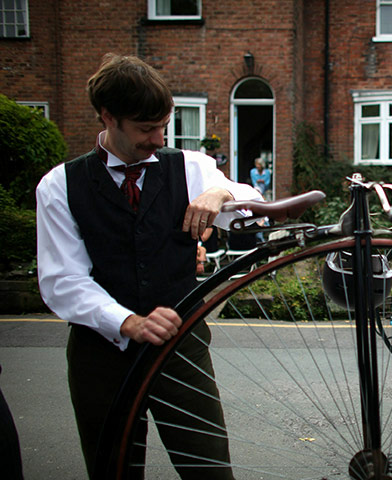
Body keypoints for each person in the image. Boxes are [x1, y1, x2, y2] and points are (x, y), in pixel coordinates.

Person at [35, 53, 262, 478]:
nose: (159, 139)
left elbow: (257, 207)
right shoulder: (59, 185)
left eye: (163, 125)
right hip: (100, 355)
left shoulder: (191, 167)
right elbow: (61, 280)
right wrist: (127, 322)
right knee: (114, 471)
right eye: (145, 128)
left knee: (210, 470)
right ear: (108, 117)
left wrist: (220, 195)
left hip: (181, 346)